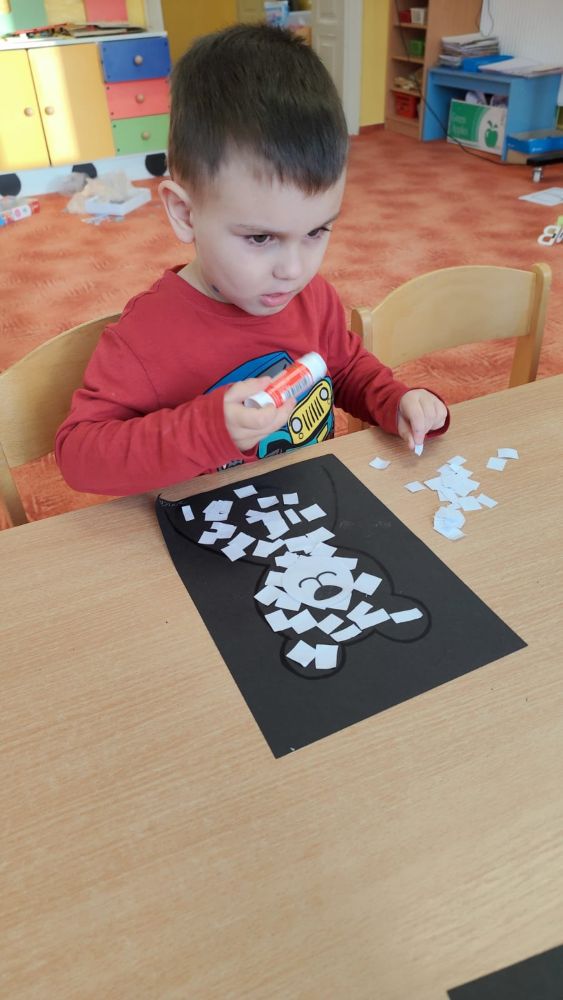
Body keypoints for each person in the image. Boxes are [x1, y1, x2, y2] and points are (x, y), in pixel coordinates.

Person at [55, 23, 448, 497]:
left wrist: (396, 401)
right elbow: (79, 456)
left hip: (313, 503)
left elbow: (342, 369)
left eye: (316, 231)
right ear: (185, 213)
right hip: (206, 529)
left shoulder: (312, 298)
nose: (294, 270)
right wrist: (206, 430)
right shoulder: (145, 338)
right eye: (261, 237)